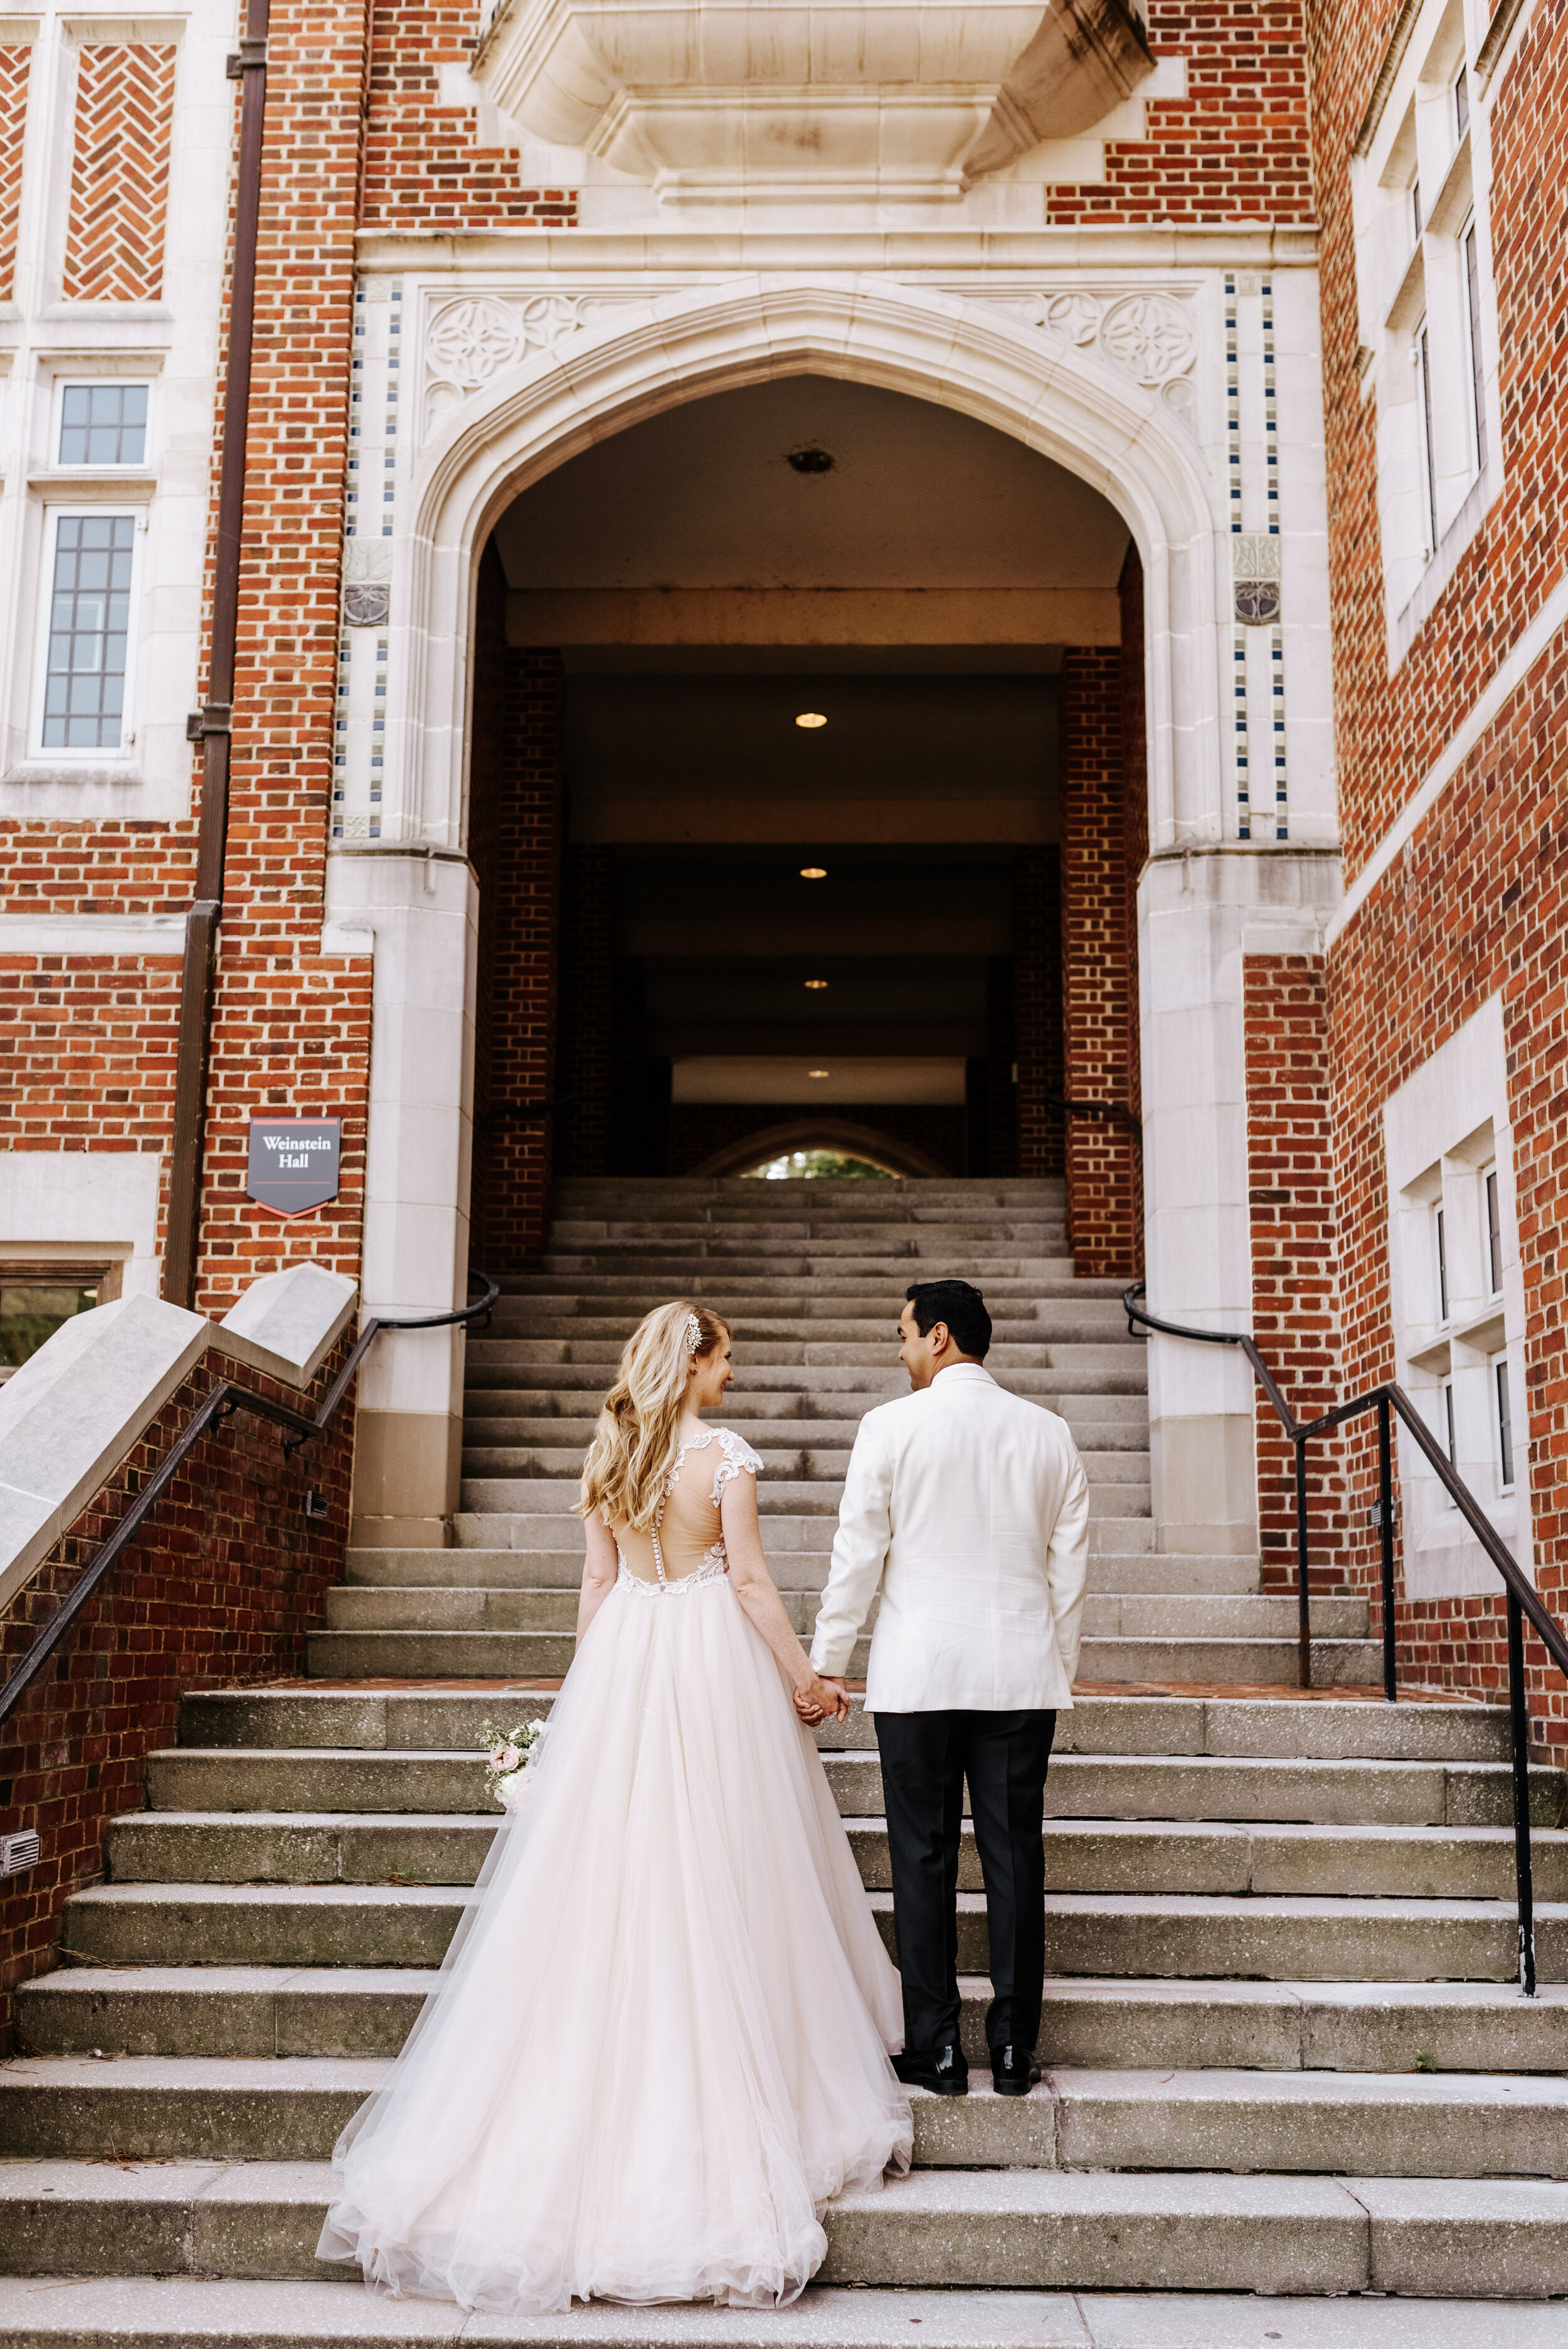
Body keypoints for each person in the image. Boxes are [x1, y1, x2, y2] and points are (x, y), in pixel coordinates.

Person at [316, 1299, 911, 2316]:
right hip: (712, 1666)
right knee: (730, 1862)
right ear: (693, 1364)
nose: (733, 1371)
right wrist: (806, 1676)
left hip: (629, 1660)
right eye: (728, 1354)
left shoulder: (610, 1454)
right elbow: (754, 1583)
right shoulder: (725, 1456)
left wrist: (583, 1706)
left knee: (621, 1873)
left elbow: (596, 1584)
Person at [808, 1278, 1089, 2099]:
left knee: (921, 1860)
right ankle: (1011, 2051)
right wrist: (1054, 1665)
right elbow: (1067, 1574)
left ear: (937, 1336)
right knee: (1015, 1860)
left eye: (902, 1333)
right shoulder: (1050, 1435)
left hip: (918, 1677)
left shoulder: (890, 1427)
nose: (898, 1350)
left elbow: (858, 1554)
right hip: (1020, 1674)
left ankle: (935, 2049)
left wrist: (829, 1660)